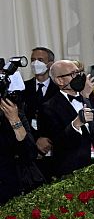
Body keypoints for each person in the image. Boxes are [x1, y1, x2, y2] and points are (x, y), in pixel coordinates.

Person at [41, 60, 94, 177]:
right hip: (72, 172)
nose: (79, 77)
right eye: (73, 74)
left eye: (79, 73)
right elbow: (59, 143)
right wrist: (75, 124)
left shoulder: (91, 99)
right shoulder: (49, 107)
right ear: (59, 80)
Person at [21, 46, 58, 179]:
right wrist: (34, 141)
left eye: (40, 60)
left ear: (50, 64)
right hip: (29, 151)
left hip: (54, 151)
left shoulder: (59, 89)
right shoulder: (22, 88)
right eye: (33, 60)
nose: (35, 63)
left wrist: (49, 140)